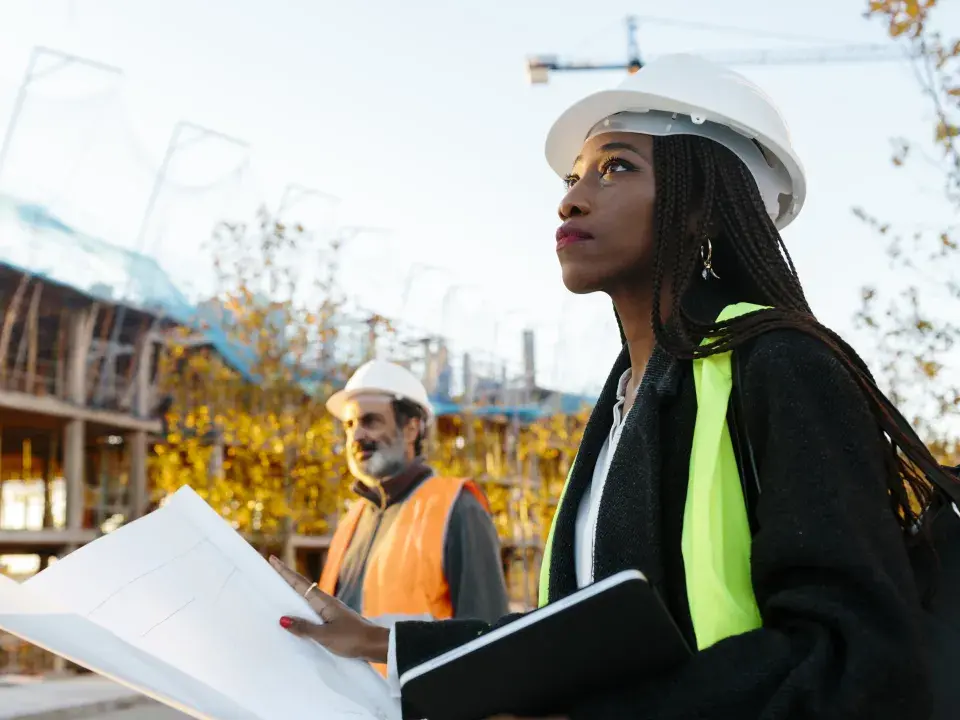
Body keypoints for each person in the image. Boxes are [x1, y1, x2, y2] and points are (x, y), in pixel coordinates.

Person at [272, 54, 953, 719]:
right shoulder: (626, 399)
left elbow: (852, 659)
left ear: (701, 207)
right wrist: (375, 639)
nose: (570, 197)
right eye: (574, 176)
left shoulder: (782, 364)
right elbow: (575, 642)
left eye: (616, 166)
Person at [306, 358, 509, 674]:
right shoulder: (352, 521)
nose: (356, 436)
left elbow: (490, 642)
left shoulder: (458, 507)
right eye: (349, 425)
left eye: (370, 421)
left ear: (412, 427)